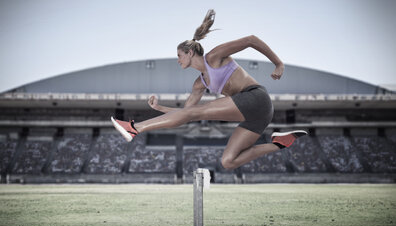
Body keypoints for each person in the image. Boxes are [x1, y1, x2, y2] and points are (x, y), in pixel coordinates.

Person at [111, 9, 307, 170]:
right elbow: (185, 113)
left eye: (179, 55)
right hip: (256, 117)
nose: (178, 60)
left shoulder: (214, 57)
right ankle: (279, 143)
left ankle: (135, 128)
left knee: (198, 112)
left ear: (190, 52)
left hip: (256, 98)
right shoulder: (199, 83)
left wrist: (278, 63)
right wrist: (160, 107)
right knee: (228, 161)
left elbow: (251, 40)